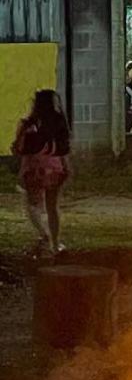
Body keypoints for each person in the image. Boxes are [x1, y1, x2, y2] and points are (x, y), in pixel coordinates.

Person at [12, 90, 71, 259]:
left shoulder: (28, 123)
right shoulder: (59, 122)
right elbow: (63, 148)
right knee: (53, 207)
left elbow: (18, 148)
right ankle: (55, 243)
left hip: (33, 168)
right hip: (55, 168)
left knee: (32, 204)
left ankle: (43, 233)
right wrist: (66, 167)